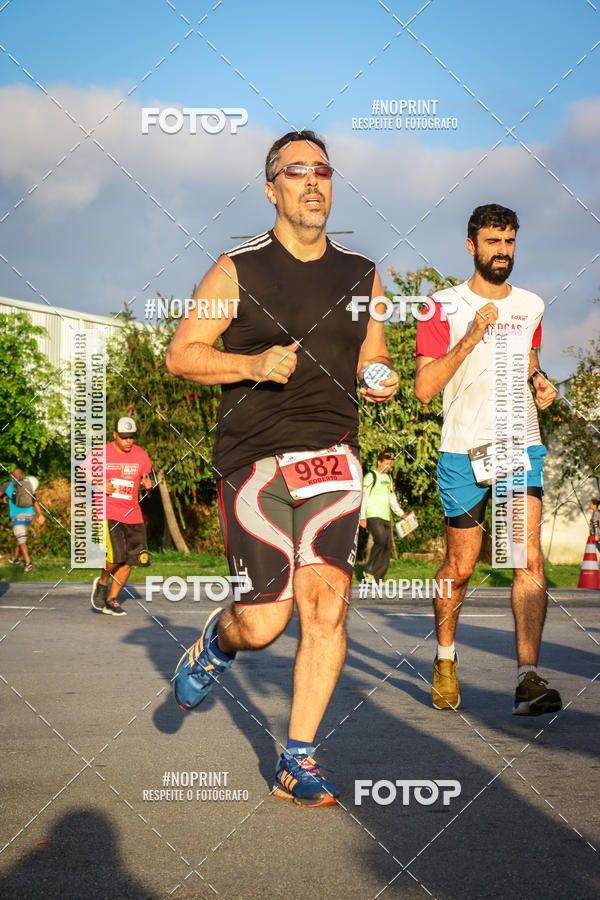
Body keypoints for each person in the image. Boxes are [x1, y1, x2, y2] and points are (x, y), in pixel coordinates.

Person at [166, 129, 398, 806]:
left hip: (334, 458)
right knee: (264, 623)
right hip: (256, 463)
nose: (313, 181)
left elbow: (372, 353)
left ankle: (298, 759)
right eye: (297, 171)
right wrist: (251, 364)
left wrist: (379, 376)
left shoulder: (362, 273)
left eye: (322, 170)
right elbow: (182, 354)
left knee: (325, 608)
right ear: (272, 189)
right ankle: (217, 643)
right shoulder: (236, 269)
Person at [414, 203, 562, 716]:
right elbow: (424, 389)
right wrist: (471, 336)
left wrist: (540, 382)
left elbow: (530, 361)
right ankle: (445, 658)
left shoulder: (531, 305)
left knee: (527, 558)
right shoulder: (440, 306)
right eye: (493, 242)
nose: (503, 251)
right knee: (460, 566)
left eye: (510, 242)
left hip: (517, 447)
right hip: (462, 449)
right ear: (471, 246)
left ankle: (527, 679)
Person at [87, 417, 154, 616]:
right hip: (109, 511)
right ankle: (102, 583)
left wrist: (149, 487)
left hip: (133, 514)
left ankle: (111, 600)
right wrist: (99, 484)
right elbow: (85, 473)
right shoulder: (101, 453)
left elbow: (149, 480)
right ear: (114, 435)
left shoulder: (141, 455)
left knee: (130, 560)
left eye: (131, 437)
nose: (128, 441)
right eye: (124, 437)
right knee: (116, 556)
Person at [360, 450, 405, 582]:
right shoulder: (370, 476)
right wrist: (362, 516)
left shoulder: (388, 478)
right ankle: (369, 570)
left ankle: (378, 578)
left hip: (385, 517)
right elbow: (364, 497)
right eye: (386, 463)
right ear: (379, 462)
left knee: (387, 546)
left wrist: (401, 513)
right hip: (372, 515)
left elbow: (392, 498)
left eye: (390, 464)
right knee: (380, 540)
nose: (388, 466)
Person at [0, 469, 44, 572]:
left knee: (21, 539)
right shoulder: (28, 485)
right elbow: (35, 501)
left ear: (12, 476)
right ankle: (15, 558)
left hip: (17, 516)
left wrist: (3, 500)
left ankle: (28, 563)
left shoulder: (7, 485)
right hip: (29, 515)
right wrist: (40, 515)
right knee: (20, 537)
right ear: (22, 475)